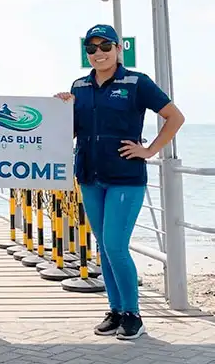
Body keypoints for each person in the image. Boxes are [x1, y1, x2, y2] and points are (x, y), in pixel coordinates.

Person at [55, 24, 184, 341]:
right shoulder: (79, 86)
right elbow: (71, 131)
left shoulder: (136, 82)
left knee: (115, 244)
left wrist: (150, 150)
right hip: (88, 176)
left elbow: (175, 117)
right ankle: (115, 311)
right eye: (91, 48)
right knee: (104, 248)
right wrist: (61, 108)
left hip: (125, 177)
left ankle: (133, 315)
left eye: (105, 46)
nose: (98, 53)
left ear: (118, 48)